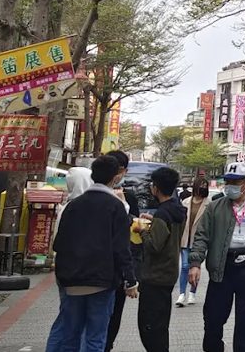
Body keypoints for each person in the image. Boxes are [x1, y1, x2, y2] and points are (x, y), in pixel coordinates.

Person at [46, 156, 137, 352]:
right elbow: (121, 248)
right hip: (101, 282)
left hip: (72, 281)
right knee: (95, 339)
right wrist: (130, 281)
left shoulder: (73, 205)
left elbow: (59, 244)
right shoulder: (116, 206)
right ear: (115, 178)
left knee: (70, 336)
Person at [189, 161, 245, 352]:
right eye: (228, 181)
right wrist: (195, 263)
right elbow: (201, 236)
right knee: (213, 318)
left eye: (236, 181)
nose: (230, 186)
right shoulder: (215, 208)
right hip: (221, 269)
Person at [136, 167, 185, 352]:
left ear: (155, 188)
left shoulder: (163, 213)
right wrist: (153, 221)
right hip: (169, 273)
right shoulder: (176, 209)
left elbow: (154, 246)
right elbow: (168, 234)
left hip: (155, 276)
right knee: (160, 325)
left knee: (149, 327)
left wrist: (143, 231)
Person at [103, 150, 139, 352]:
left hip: (96, 270)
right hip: (111, 270)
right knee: (109, 316)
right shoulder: (119, 199)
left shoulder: (128, 196)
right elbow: (125, 241)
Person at [178, 174, 212, 307]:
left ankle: (192, 293)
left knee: (195, 266)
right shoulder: (186, 202)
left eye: (205, 186)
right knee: (185, 266)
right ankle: (181, 294)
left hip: (199, 240)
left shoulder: (209, 204)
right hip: (185, 238)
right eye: (201, 185)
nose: (203, 188)